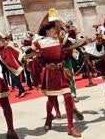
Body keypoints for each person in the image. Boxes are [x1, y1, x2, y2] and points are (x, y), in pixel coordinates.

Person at [31, 9, 81, 137]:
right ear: (48, 31)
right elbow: (36, 61)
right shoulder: (39, 43)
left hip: (61, 72)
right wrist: (35, 79)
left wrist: (72, 48)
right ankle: (49, 117)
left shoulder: (59, 41)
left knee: (68, 97)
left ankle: (71, 127)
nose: (56, 31)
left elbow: (69, 48)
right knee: (51, 99)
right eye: (54, 29)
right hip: (50, 74)